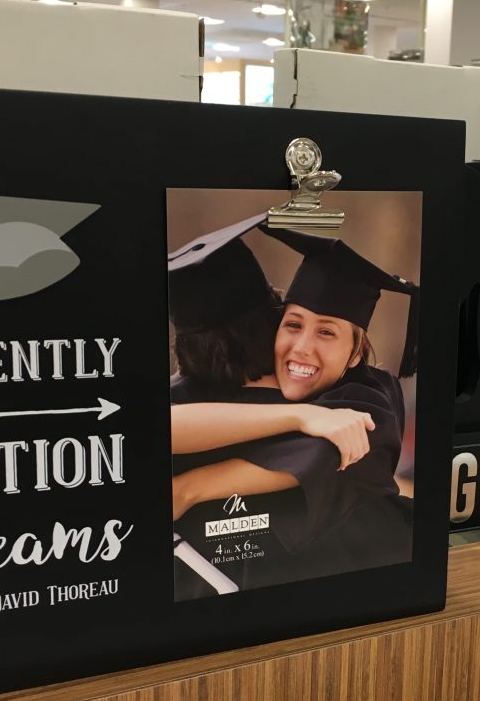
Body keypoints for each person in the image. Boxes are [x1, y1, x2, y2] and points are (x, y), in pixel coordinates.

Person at [170, 225, 418, 591]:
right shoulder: (198, 398)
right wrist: (301, 416)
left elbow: (322, 453)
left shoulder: (367, 401)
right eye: (293, 324)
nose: (302, 347)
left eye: (327, 332)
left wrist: (187, 489)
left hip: (379, 581)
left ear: (355, 354)